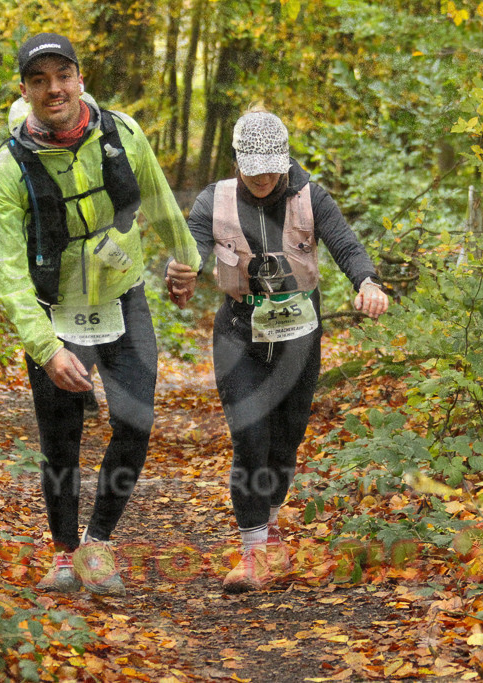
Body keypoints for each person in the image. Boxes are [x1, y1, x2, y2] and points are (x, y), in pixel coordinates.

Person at [0, 32, 200, 596]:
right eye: (40, 80)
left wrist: (188, 260)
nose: (54, 89)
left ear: (80, 77)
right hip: (56, 311)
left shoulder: (122, 134)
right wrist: (45, 348)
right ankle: (63, 552)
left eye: (63, 76)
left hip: (121, 296)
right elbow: (7, 273)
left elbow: (157, 197)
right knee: (62, 437)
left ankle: (98, 541)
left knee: (135, 419)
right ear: (26, 90)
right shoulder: (8, 168)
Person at [170, 110, 389, 593]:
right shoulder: (214, 200)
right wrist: (180, 275)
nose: (264, 177)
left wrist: (367, 281)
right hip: (238, 332)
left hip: (298, 335)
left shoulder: (311, 197)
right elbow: (193, 253)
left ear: (285, 161)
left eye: (272, 167)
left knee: (285, 440)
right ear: (237, 162)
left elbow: (347, 247)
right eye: (254, 168)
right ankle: (252, 555)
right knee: (250, 438)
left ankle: (268, 527)